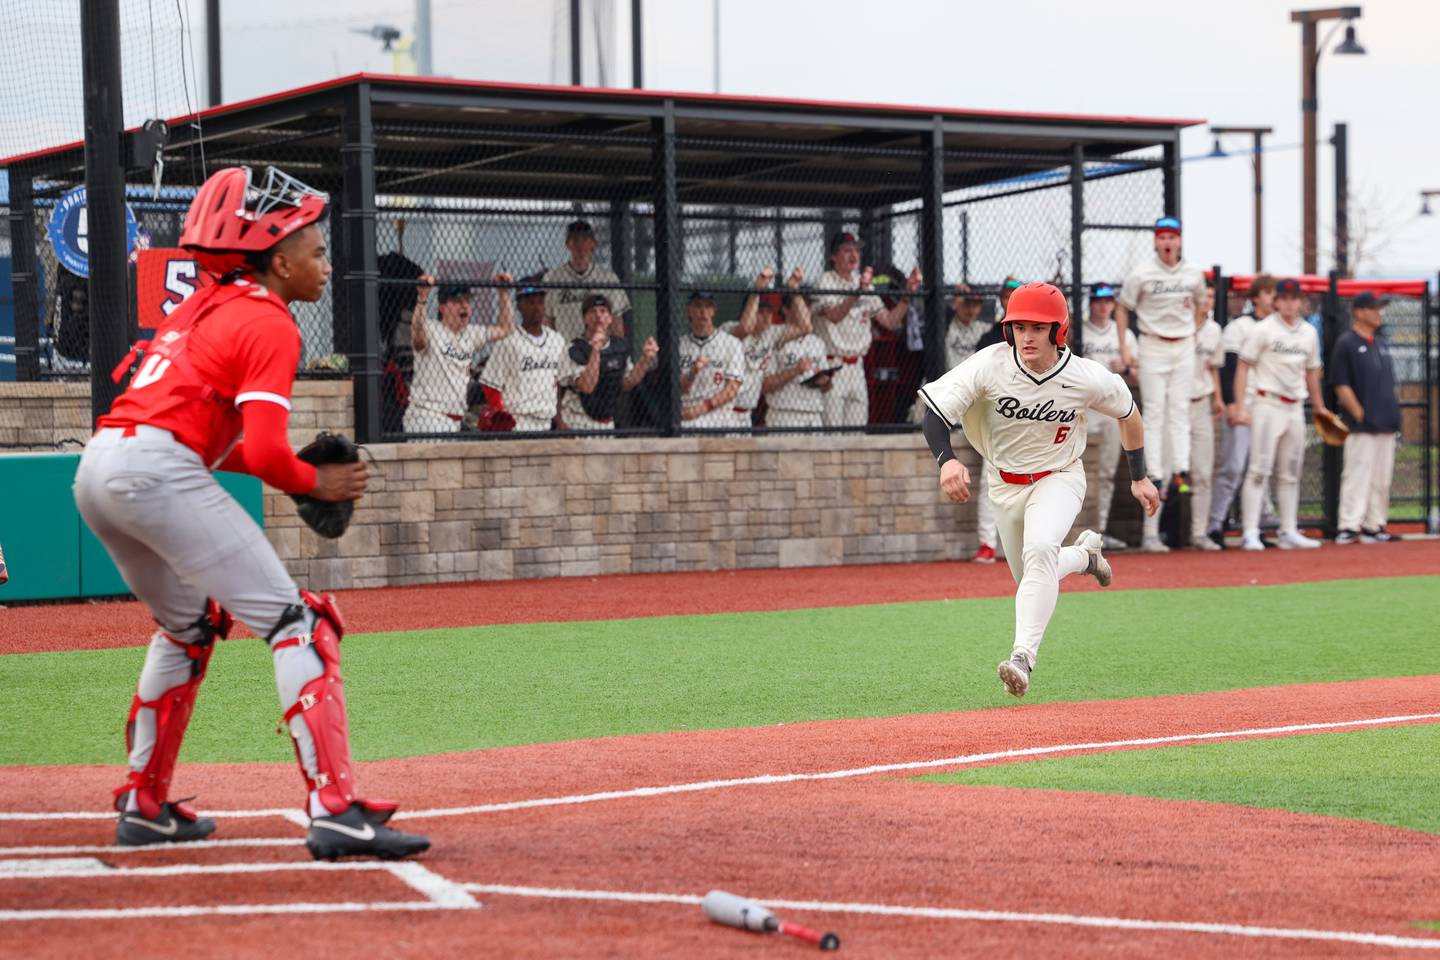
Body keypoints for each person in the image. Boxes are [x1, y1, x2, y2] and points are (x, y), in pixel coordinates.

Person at [70, 165, 428, 859]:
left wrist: (297, 475)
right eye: (315, 252)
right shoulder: (268, 320)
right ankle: (334, 808)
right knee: (301, 623)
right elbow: (264, 453)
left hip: (100, 467)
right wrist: (315, 484)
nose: (324, 265)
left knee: (189, 625)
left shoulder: (200, 309)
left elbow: (208, 441)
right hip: (154, 468)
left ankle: (145, 804)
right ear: (277, 257)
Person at [918, 282, 1159, 699]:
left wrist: (1139, 476)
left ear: (1058, 330)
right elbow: (934, 415)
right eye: (1019, 326)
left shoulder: (1084, 376)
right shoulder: (990, 365)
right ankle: (1086, 556)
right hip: (1004, 485)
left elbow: (1129, 413)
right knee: (1034, 573)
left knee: (1041, 550)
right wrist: (948, 461)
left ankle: (1021, 659)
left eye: (1038, 327)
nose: (1027, 336)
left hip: (1059, 476)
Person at [1115, 217, 1207, 552]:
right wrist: (1126, 346)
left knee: (1180, 409)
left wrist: (1195, 329)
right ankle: (1153, 469)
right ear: (1156, 242)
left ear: (1180, 241)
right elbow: (1122, 308)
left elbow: (1202, 303)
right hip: (1152, 343)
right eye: (1162, 237)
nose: (1168, 242)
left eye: (1173, 237)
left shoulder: (1193, 272)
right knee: (1153, 410)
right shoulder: (1142, 273)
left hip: (1182, 343)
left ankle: (1180, 469)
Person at [1233, 278, 1334, 550]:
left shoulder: (1309, 333)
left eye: (1294, 298)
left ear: (1301, 301)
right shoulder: (1263, 330)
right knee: (1258, 469)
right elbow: (1243, 366)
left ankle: (1288, 530)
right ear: (1276, 301)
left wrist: (1319, 406)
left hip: (1294, 406)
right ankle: (1250, 532)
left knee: (1291, 471)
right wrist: (1241, 406)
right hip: (1267, 403)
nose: (1290, 303)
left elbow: (1312, 371)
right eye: (1285, 298)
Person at [810, 232, 920, 426]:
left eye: (856, 250)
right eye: (846, 250)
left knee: (857, 432)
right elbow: (834, 316)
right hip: (831, 365)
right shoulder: (825, 281)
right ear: (833, 257)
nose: (853, 255)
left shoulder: (863, 284)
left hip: (857, 367)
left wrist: (907, 295)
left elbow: (889, 321)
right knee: (833, 434)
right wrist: (857, 293)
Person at [1208, 274, 1275, 546]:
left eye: (1275, 294)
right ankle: (1215, 524)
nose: (1273, 299)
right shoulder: (1239, 326)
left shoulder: (1278, 328)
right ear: (1256, 297)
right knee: (1233, 467)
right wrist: (1233, 403)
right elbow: (1229, 368)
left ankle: (1256, 527)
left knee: (1259, 468)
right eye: (1269, 293)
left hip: (1267, 406)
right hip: (1243, 403)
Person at [1331, 291, 1401, 544]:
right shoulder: (1347, 343)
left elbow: (1389, 383)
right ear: (1359, 312)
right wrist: (1359, 412)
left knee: (1382, 478)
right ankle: (1349, 525)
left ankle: (1375, 524)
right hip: (1362, 424)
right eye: (1373, 308)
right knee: (1357, 474)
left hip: (1386, 421)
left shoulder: (1381, 343)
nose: (1378, 312)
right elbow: (1340, 383)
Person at [405, 280, 514, 434]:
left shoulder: (471, 333)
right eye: (457, 301)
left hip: (455, 421)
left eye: (467, 301)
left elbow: (506, 329)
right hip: (426, 417)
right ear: (442, 308)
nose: (464, 306)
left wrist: (503, 293)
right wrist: (422, 298)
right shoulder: (431, 328)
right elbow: (418, 338)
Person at [1076, 282, 1139, 551]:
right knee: (1074, 470)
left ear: (1114, 304)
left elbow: (1137, 376)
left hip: (1112, 407)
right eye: (1098, 300)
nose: (1103, 305)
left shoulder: (1122, 334)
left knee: (1106, 472)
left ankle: (1097, 534)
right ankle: (1073, 532)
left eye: (1107, 301)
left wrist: (1125, 367)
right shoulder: (1080, 330)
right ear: (1090, 303)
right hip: (1084, 408)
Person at [477, 277, 569, 432]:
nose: (536, 307)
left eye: (540, 301)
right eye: (530, 302)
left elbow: (558, 384)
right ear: (519, 306)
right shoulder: (508, 340)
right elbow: (490, 385)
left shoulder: (556, 340)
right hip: (519, 421)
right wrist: (501, 417)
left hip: (547, 421)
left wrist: (559, 419)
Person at [724, 266, 811, 428]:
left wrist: (795, 291)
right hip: (724, 413)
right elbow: (746, 328)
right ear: (748, 310)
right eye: (761, 311)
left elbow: (806, 327)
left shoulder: (771, 334)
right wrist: (756, 291)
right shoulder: (730, 329)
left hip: (746, 414)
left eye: (769, 311)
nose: (767, 317)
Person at [558, 294, 659, 431]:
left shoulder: (619, 346)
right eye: (593, 312)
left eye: (603, 311)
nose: (598, 316)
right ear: (584, 318)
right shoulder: (573, 348)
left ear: (610, 318)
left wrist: (645, 360)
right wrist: (595, 351)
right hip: (577, 421)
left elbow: (627, 383)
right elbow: (586, 387)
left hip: (607, 422)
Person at [543, 219, 632, 341]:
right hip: (565, 351)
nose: (580, 246)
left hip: (599, 349)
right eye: (575, 240)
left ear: (593, 243)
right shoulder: (552, 278)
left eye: (585, 240)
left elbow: (617, 322)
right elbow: (548, 321)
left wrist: (616, 351)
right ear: (568, 244)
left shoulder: (608, 279)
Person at [1186, 284, 1226, 551]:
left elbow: (1212, 368)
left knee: (1203, 472)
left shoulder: (1214, 330)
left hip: (1201, 403)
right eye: (1205, 296)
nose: (1208, 301)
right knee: (1163, 472)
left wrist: (1219, 399)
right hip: (1175, 406)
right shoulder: (1176, 326)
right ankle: (1150, 534)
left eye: (1212, 297)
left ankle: (1199, 533)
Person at [678, 290, 746, 429]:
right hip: (686, 413)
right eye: (697, 306)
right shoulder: (678, 345)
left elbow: (731, 390)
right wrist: (693, 372)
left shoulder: (731, 343)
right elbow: (678, 388)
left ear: (713, 311)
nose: (703, 311)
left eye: (708, 306)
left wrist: (702, 408)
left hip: (719, 416)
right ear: (689, 310)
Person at [761, 295, 830, 428]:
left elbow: (826, 387)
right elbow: (765, 385)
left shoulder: (817, 342)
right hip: (784, 414)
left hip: (814, 414)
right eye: (801, 306)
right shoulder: (773, 339)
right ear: (786, 310)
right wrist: (795, 371)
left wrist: (825, 382)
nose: (806, 310)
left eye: (808, 306)